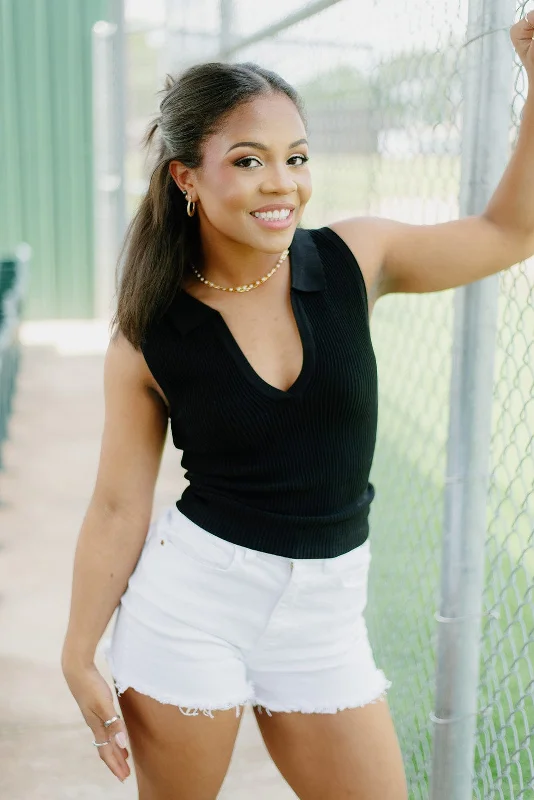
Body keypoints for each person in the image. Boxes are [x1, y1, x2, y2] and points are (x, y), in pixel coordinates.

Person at [61, 16, 534, 800]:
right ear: (186, 177)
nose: (282, 182)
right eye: (249, 161)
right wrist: (79, 651)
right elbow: (117, 506)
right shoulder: (148, 336)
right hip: (192, 609)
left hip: (327, 614)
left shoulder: (358, 259)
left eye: (296, 158)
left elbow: (510, 230)